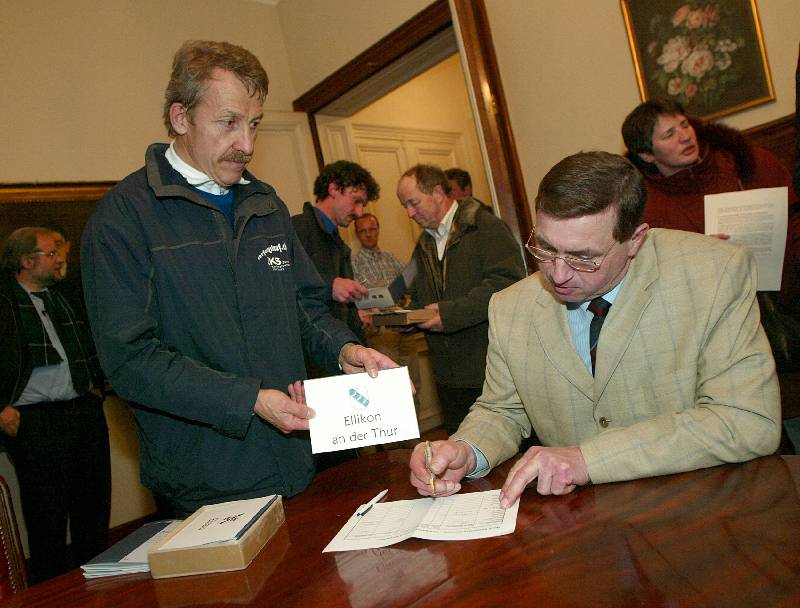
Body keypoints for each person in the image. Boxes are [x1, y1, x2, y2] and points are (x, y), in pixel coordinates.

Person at [81, 40, 395, 517]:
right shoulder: (123, 219)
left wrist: (343, 349)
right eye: (228, 122)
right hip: (203, 481)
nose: (247, 145)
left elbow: (304, 306)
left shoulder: (266, 204)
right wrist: (248, 400)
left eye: (254, 124)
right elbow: (131, 361)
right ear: (181, 117)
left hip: (296, 459)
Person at [409, 151, 780, 507]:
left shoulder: (713, 274)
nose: (557, 273)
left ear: (635, 239)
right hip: (578, 521)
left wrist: (588, 459)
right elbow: (502, 409)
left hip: (695, 507)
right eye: (545, 248)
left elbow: (746, 420)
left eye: (583, 257)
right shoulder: (511, 306)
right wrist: (467, 449)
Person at [1, 227, 110, 583]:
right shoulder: (5, 303)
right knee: (46, 515)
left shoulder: (66, 297)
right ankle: (52, 592)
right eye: (51, 253)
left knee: (93, 507)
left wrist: (97, 387)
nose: (60, 259)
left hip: (83, 412)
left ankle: (100, 582)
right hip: (36, 422)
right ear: (26, 261)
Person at [397, 164, 526, 434]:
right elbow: (419, 297)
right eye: (405, 206)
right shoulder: (423, 244)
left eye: (413, 203)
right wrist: (401, 315)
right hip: (447, 377)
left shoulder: (485, 227)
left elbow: (507, 284)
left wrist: (449, 314)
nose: (409, 213)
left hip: (489, 370)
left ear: (437, 193)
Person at [292, 161, 380, 347]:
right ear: (333, 189)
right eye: (356, 201)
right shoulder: (296, 228)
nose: (359, 213)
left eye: (363, 205)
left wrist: (357, 312)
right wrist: (329, 285)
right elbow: (283, 288)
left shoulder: (338, 243)